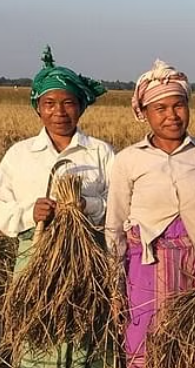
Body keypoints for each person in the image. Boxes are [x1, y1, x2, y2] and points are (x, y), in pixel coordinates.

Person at [105, 60, 195, 368]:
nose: (172, 116)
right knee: (149, 349)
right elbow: (114, 227)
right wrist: (115, 287)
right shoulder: (129, 160)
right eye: (161, 109)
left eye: (179, 105)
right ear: (144, 113)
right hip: (145, 275)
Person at [0, 46, 113, 367]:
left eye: (68, 103)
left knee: (83, 337)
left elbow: (120, 207)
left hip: (86, 261)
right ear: (37, 108)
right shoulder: (20, 155)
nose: (59, 112)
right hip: (34, 259)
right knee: (37, 337)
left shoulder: (99, 153)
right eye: (49, 103)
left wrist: (86, 205)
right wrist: (28, 213)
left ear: (81, 107)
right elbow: (1, 210)